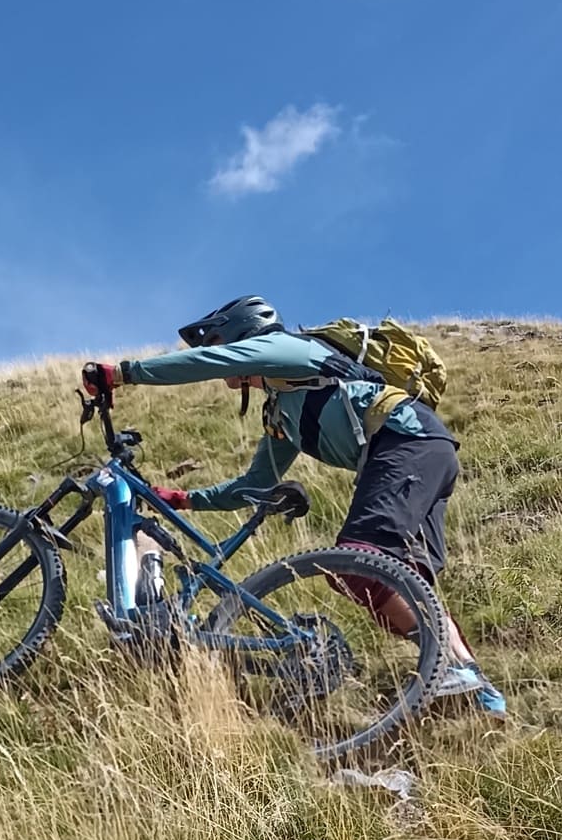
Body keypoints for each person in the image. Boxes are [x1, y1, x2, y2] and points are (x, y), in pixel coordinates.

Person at [82, 293, 505, 715]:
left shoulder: (292, 350)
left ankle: (446, 668)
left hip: (407, 444)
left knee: (360, 564)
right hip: (420, 452)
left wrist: (123, 374)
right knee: (404, 581)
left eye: (217, 342)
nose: (217, 354)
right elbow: (255, 484)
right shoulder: (283, 407)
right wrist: (184, 499)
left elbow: (210, 363)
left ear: (243, 333)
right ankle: (478, 689)